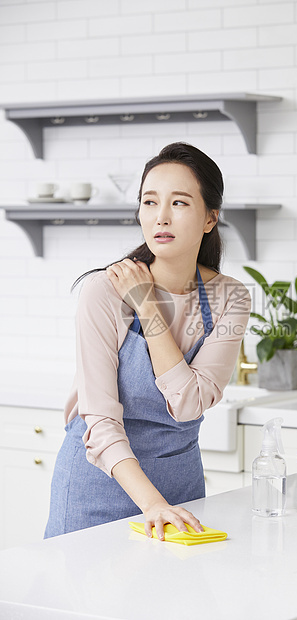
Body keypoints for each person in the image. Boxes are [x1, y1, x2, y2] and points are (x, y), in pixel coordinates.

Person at [44, 142, 251, 541]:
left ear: (211, 218)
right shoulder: (105, 291)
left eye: (180, 203)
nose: (161, 217)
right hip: (98, 485)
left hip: (180, 491)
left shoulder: (231, 297)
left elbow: (188, 405)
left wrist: (149, 309)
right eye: (150, 202)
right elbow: (100, 421)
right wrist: (152, 502)